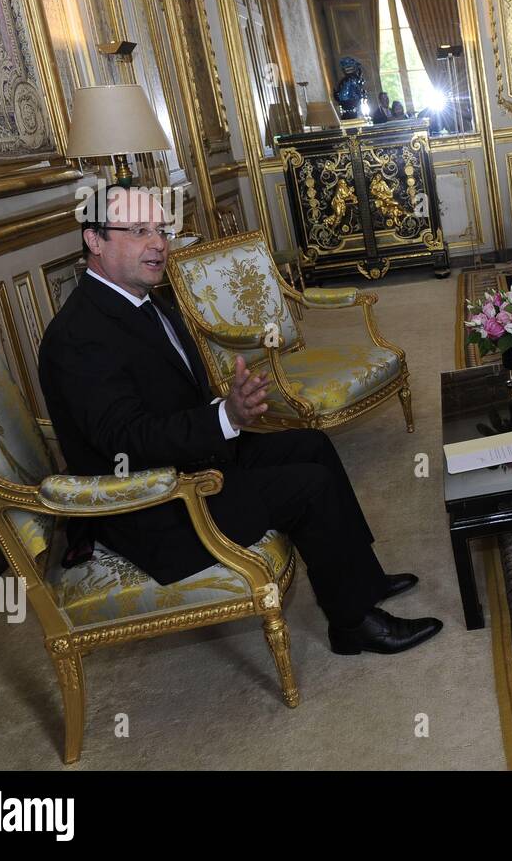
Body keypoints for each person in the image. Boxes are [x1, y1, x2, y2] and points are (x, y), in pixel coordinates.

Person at [38, 187, 442, 656]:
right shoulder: (79, 336)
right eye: (139, 231)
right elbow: (126, 440)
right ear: (95, 240)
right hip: (155, 504)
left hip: (190, 461)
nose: (159, 243)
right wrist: (225, 418)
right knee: (307, 487)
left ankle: (360, 579)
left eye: (161, 230)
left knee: (310, 444)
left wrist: (225, 411)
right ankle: (352, 625)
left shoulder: (139, 298)